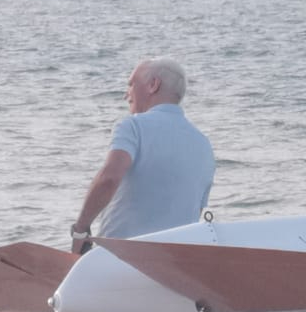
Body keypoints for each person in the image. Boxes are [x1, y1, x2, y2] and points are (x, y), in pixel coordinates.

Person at [70, 57, 214, 253]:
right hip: (174, 264)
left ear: (153, 85)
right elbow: (195, 212)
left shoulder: (133, 126)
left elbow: (109, 178)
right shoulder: (203, 144)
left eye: (131, 85)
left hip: (121, 257)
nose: (126, 95)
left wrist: (80, 230)